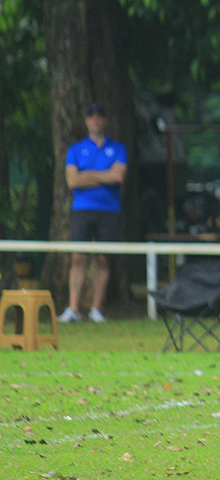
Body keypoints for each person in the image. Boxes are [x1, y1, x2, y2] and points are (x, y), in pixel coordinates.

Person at [59, 103, 128, 324]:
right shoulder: (76, 149)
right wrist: (103, 176)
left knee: (103, 258)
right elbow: (72, 181)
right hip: (82, 210)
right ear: (86, 121)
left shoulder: (117, 148)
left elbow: (118, 177)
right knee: (77, 257)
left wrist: (87, 175)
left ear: (105, 121)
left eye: (100, 116)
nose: (96, 120)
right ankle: (73, 309)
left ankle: (96, 309)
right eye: (91, 117)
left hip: (109, 211)